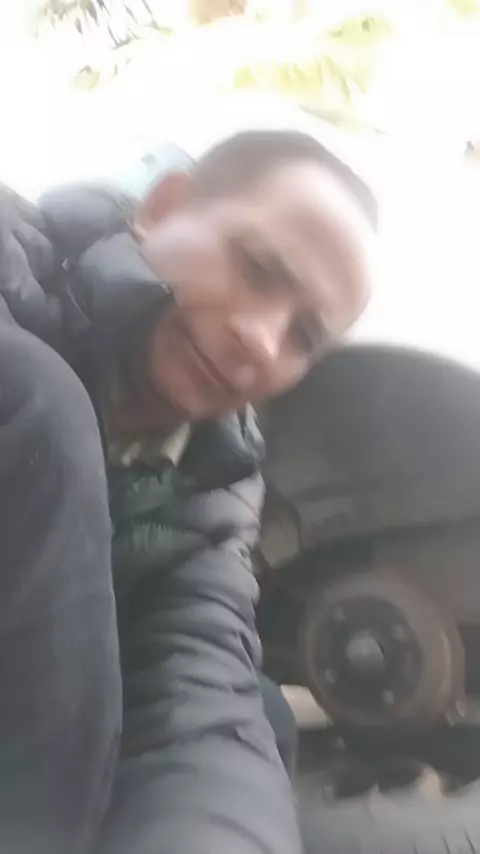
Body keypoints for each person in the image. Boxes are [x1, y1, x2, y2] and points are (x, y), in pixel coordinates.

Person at [0, 129, 376, 854]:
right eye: (259, 269)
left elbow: (200, 695)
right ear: (164, 210)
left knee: (257, 718)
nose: (262, 341)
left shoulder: (211, 491)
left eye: (303, 336)